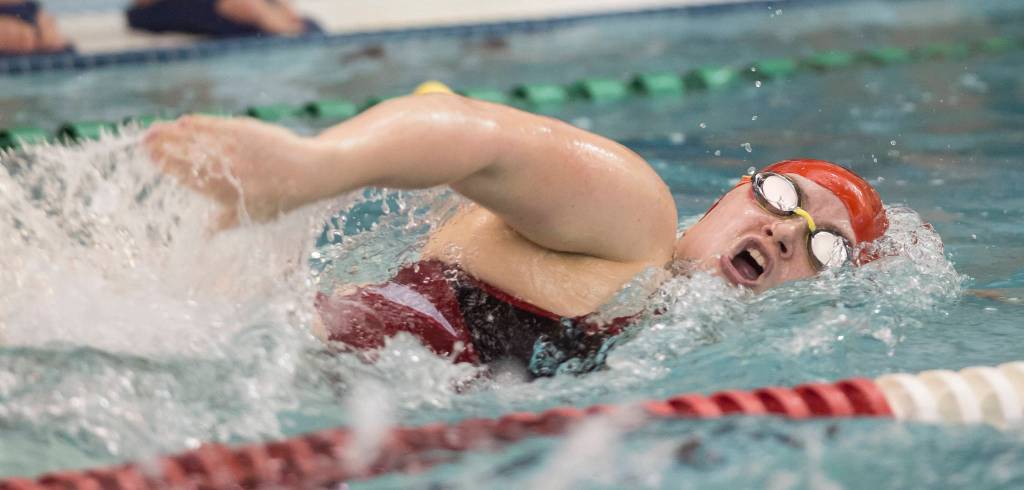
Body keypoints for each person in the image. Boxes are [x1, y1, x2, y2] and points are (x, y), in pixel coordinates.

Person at [143, 86, 888, 377]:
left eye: (828, 250)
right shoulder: (636, 222)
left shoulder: (673, 332)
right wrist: (314, 168)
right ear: (733, 194)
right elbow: (481, 137)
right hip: (215, 350)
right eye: (786, 196)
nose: (790, 233)